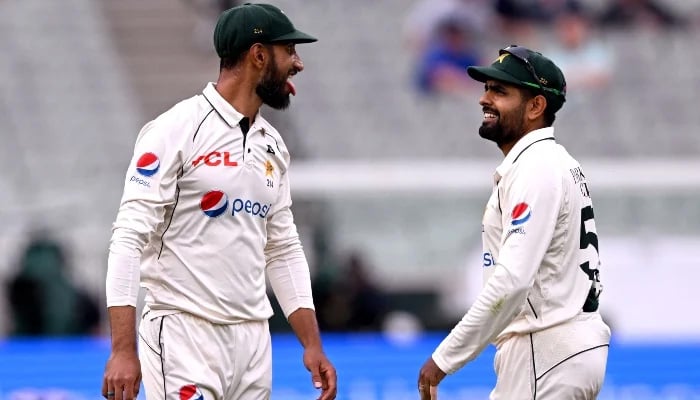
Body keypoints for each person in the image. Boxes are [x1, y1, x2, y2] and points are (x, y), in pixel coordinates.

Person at [101, 4, 337, 400]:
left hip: (252, 340)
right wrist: (123, 350)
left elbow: (282, 248)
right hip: (183, 333)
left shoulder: (273, 145)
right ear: (259, 55)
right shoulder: (175, 129)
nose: (298, 64)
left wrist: (311, 343)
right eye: (290, 51)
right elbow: (128, 238)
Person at [417, 45, 611, 399]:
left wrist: (443, 358)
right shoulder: (552, 161)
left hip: (546, 347)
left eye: (500, 91)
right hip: (563, 348)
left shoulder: (536, 166)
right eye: (486, 88)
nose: (484, 99)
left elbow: (512, 280)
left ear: (536, 106)